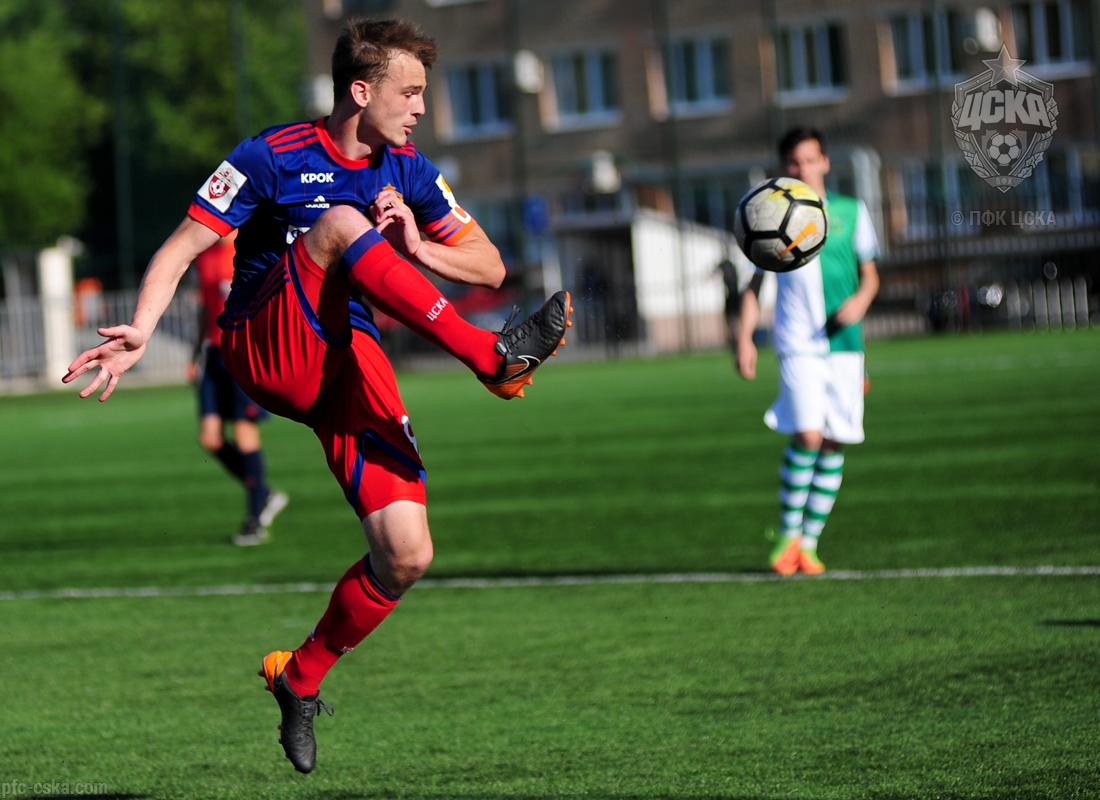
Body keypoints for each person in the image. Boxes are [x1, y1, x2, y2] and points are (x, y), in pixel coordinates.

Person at [63, 18, 572, 774]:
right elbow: (181, 247)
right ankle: (489, 357)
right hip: (266, 344)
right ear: (361, 91)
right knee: (338, 224)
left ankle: (299, 677)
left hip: (346, 360)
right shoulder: (271, 155)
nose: (421, 107)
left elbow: (490, 266)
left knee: (406, 553)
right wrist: (141, 328)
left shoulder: (410, 170)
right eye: (410, 92)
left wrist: (417, 247)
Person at [735, 127, 880, 576]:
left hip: (845, 345)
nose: (803, 168)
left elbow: (870, 275)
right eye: (794, 162)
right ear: (785, 167)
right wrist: (744, 338)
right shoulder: (769, 212)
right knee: (809, 436)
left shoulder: (852, 211)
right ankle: (787, 534)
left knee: (834, 442)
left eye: (810, 160)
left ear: (826, 162)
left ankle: (809, 544)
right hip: (798, 342)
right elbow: (753, 286)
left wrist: (861, 301)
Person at [190, 231, 289, 546]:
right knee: (210, 437)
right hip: (213, 354)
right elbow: (206, 307)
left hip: (243, 351)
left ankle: (254, 520)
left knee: (245, 432)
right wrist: (195, 352)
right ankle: (265, 493)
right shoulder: (204, 255)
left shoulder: (249, 249)